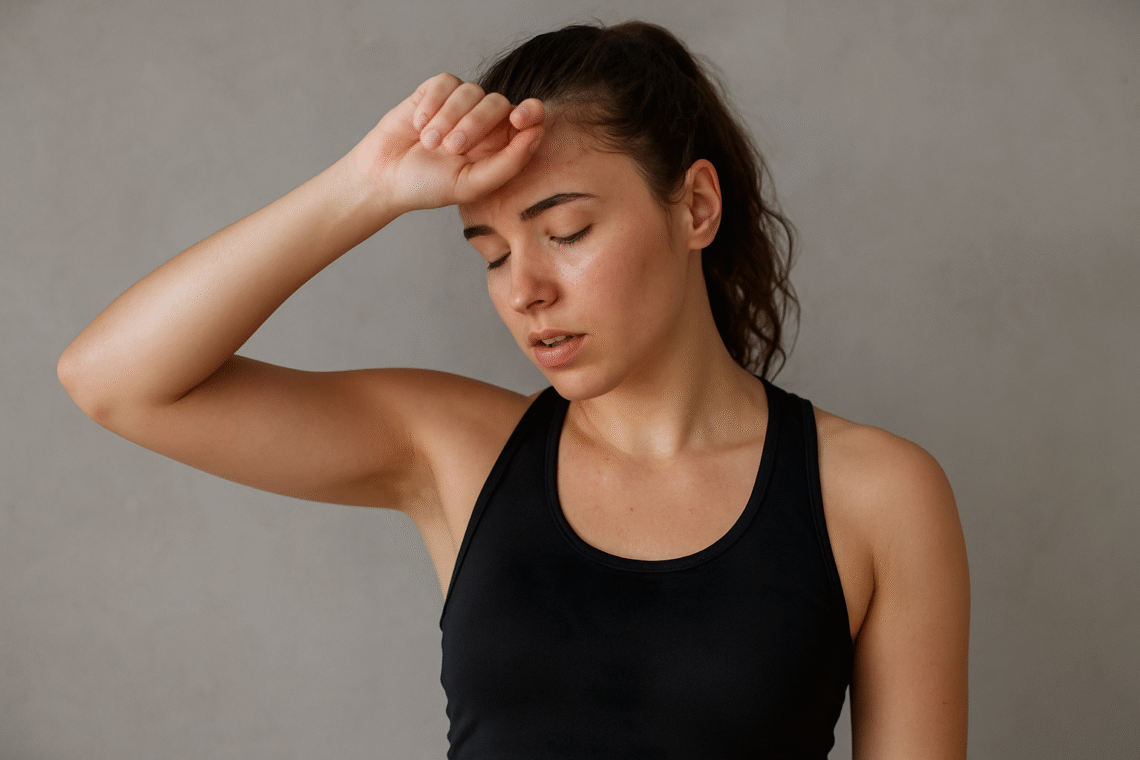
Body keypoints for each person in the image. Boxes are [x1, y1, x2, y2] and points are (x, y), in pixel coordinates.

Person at [57, 19, 969, 760]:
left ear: (695, 206)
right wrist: (366, 186)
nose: (524, 290)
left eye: (565, 230)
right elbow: (115, 383)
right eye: (490, 255)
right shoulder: (456, 452)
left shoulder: (875, 494)